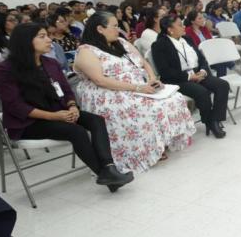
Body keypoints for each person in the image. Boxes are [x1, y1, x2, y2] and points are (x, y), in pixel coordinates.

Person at [0, 23, 133, 190]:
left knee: (96, 120)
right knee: (76, 131)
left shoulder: (50, 63)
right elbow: (16, 106)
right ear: (25, 41)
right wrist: (55, 116)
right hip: (29, 123)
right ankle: (106, 176)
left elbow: (66, 90)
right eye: (42, 36)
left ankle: (109, 168)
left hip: (60, 113)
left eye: (47, 35)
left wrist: (72, 106)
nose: (49, 40)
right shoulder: (5, 70)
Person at [74, 12, 196, 173]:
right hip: (108, 92)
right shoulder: (86, 51)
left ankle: (159, 143)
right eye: (115, 26)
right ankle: (144, 151)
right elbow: (100, 80)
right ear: (100, 29)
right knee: (148, 107)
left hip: (137, 85)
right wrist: (138, 88)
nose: (119, 30)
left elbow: (144, 63)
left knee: (174, 99)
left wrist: (152, 78)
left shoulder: (121, 43)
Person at [152, 16, 229, 138]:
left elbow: (201, 58)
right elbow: (165, 71)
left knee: (222, 85)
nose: (184, 26)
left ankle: (215, 119)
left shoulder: (186, 39)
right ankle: (210, 122)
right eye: (179, 25)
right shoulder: (159, 45)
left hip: (197, 74)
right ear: (170, 30)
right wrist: (189, 77)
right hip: (178, 79)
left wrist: (203, 71)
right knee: (202, 92)